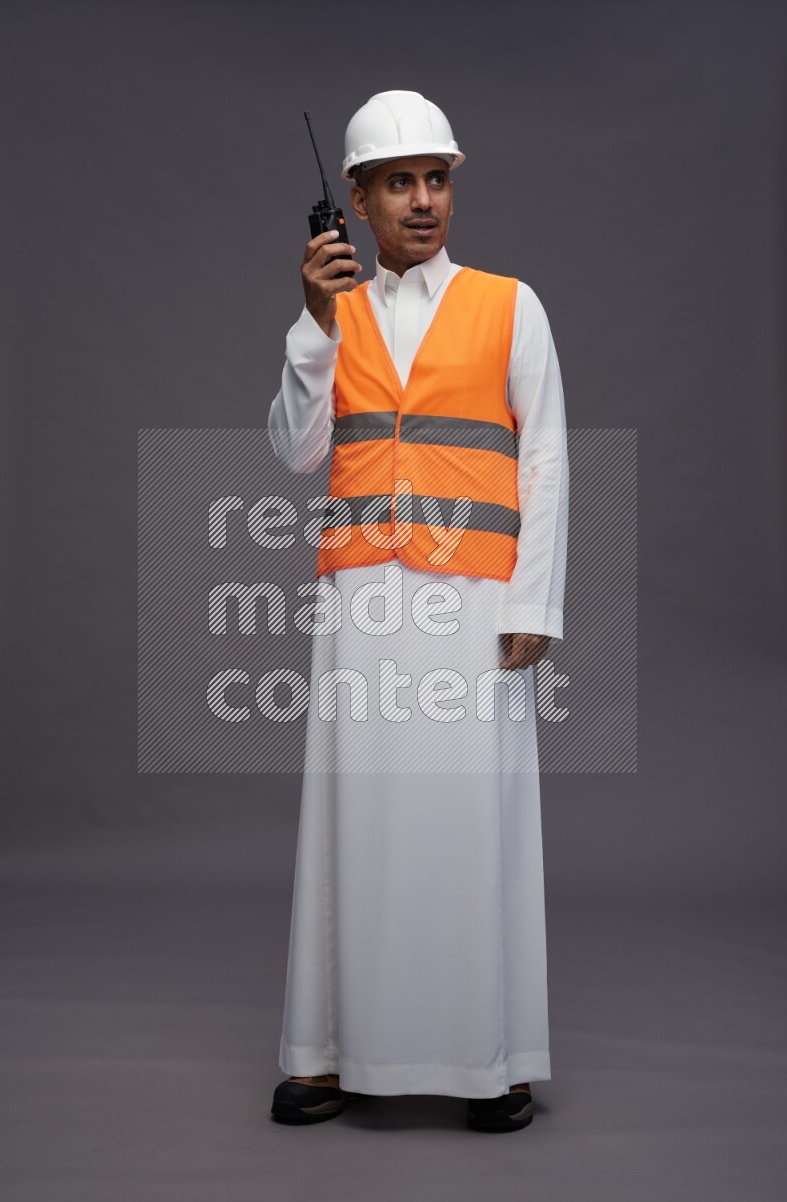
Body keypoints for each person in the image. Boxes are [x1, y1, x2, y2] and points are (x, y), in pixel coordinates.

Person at [267, 90, 569, 1133]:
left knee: (471, 815)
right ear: (353, 200)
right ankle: (325, 1052)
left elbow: (544, 456)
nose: (424, 199)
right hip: (362, 598)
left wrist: (536, 600)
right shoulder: (330, 313)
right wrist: (311, 328)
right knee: (353, 814)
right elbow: (296, 449)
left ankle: (492, 1056)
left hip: (475, 599)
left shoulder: (509, 303)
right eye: (399, 182)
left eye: (436, 178)